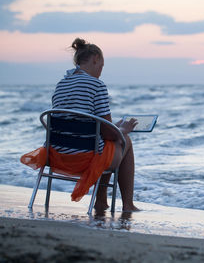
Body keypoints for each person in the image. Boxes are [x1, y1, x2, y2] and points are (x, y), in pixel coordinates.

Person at [22, 38, 139, 212]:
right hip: (84, 158)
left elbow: (79, 123)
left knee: (105, 144)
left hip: (55, 155)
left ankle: (101, 202)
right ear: (95, 59)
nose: (101, 71)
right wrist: (122, 129)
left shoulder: (61, 84)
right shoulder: (96, 85)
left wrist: (114, 128)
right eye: (102, 65)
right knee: (124, 141)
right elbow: (109, 133)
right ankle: (127, 205)